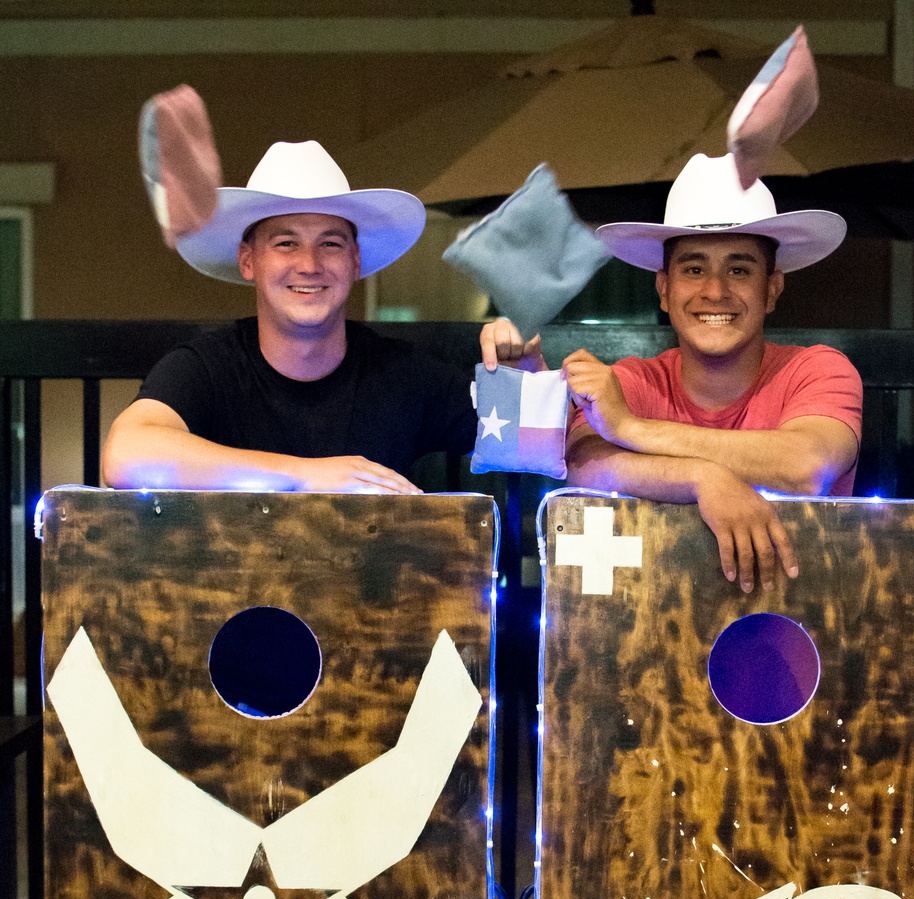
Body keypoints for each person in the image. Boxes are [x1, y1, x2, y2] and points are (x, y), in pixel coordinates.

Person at [480, 153, 863, 593]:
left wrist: (629, 427)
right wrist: (702, 479)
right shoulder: (635, 380)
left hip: (805, 625)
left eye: (738, 270)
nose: (715, 291)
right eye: (694, 269)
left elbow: (806, 466)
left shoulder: (818, 369)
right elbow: (584, 465)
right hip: (655, 622)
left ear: (771, 289)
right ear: (664, 289)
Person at [103, 140, 478, 495]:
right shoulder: (207, 367)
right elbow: (125, 457)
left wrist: (522, 367)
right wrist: (306, 475)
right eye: (286, 244)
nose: (309, 265)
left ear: (355, 260)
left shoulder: (402, 373)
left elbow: (525, 442)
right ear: (248, 261)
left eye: (330, 244)